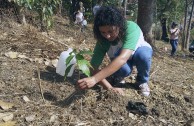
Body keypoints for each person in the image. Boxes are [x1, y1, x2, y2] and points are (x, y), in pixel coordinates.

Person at [77, 6, 153, 97]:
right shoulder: (102, 41)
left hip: (137, 52)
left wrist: (94, 79)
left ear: (119, 25)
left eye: (110, 31)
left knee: (143, 56)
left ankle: (142, 81)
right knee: (123, 69)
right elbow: (93, 67)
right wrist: (109, 88)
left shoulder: (130, 28)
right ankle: (119, 77)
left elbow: (122, 58)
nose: (107, 36)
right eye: (103, 32)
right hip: (121, 58)